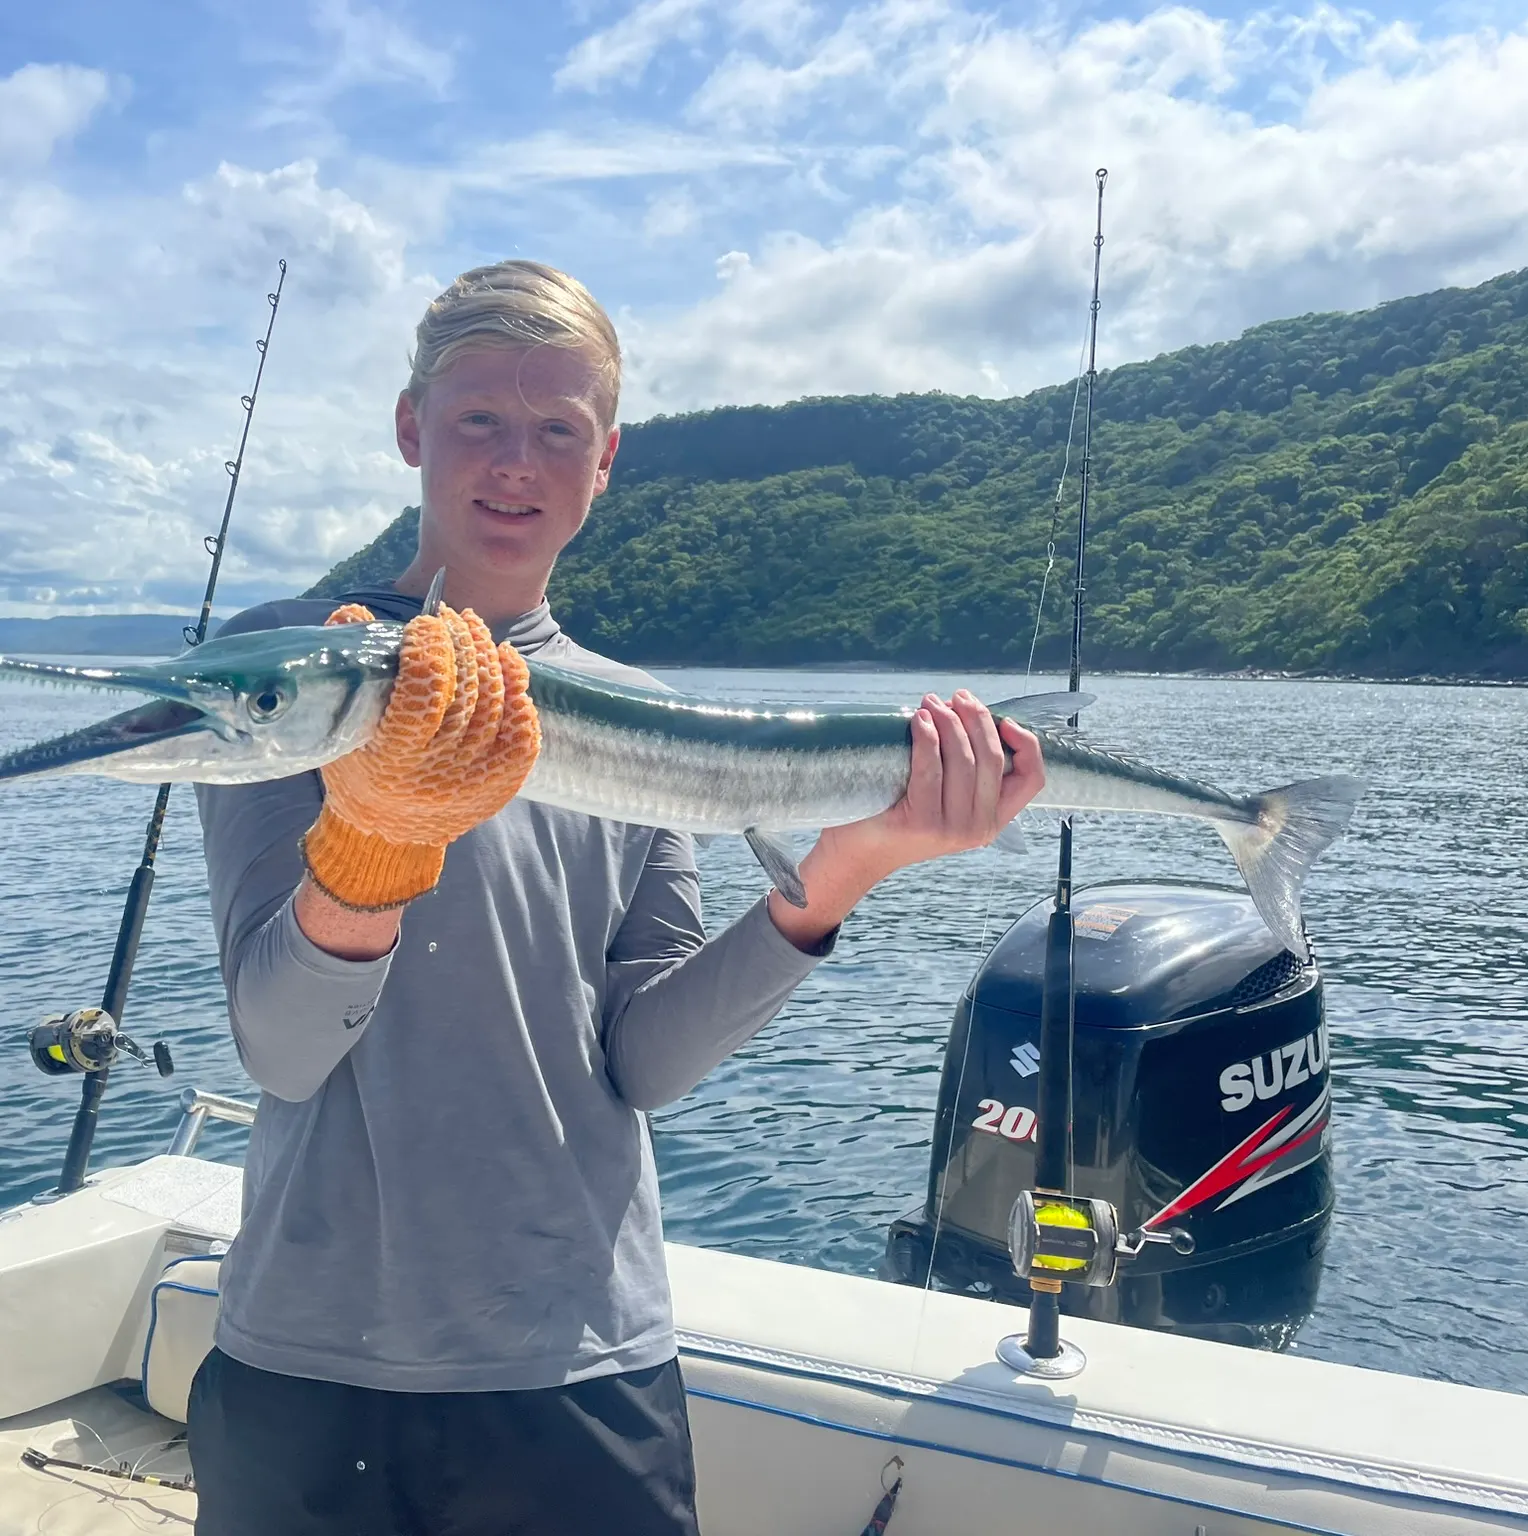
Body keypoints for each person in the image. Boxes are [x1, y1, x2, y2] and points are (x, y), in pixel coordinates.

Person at [187, 260, 1046, 1535]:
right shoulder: (292, 670)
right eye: (479, 419)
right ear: (412, 426)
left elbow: (641, 1059)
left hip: (583, 1357)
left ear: (606, 461)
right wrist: (373, 836)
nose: (515, 462)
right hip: (310, 1363)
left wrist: (847, 869)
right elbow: (285, 1048)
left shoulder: (656, 724)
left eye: (558, 430)